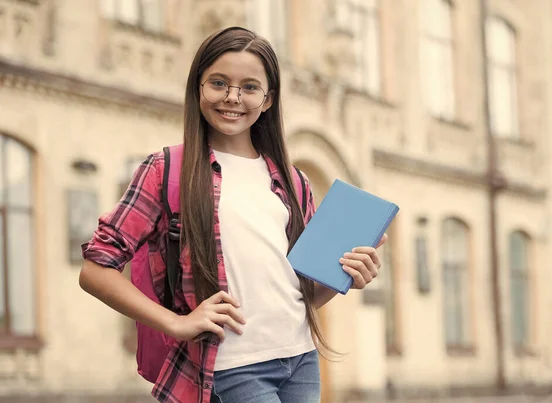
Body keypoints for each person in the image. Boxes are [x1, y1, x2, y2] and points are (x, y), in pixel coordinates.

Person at [79, 26, 387, 403]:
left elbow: (298, 295)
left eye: (250, 87)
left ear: (268, 99)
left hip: (301, 360)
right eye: (219, 83)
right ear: (198, 88)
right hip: (232, 367)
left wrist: (350, 275)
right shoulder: (167, 170)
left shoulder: (294, 181)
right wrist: (177, 324)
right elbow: (95, 270)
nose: (233, 98)